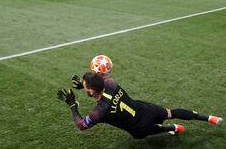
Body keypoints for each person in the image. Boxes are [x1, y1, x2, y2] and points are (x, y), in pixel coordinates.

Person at [58, 56, 223, 139]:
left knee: (160, 128)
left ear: (91, 92)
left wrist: (72, 104)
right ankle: (209, 118)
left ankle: (173, 128)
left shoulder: (98, 112)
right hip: (145, 109)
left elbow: (81, 125)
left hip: (139, 128)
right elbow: (99, 82)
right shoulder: (111, 84)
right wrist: (85, 84)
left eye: (85, 86)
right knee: (171, 112)